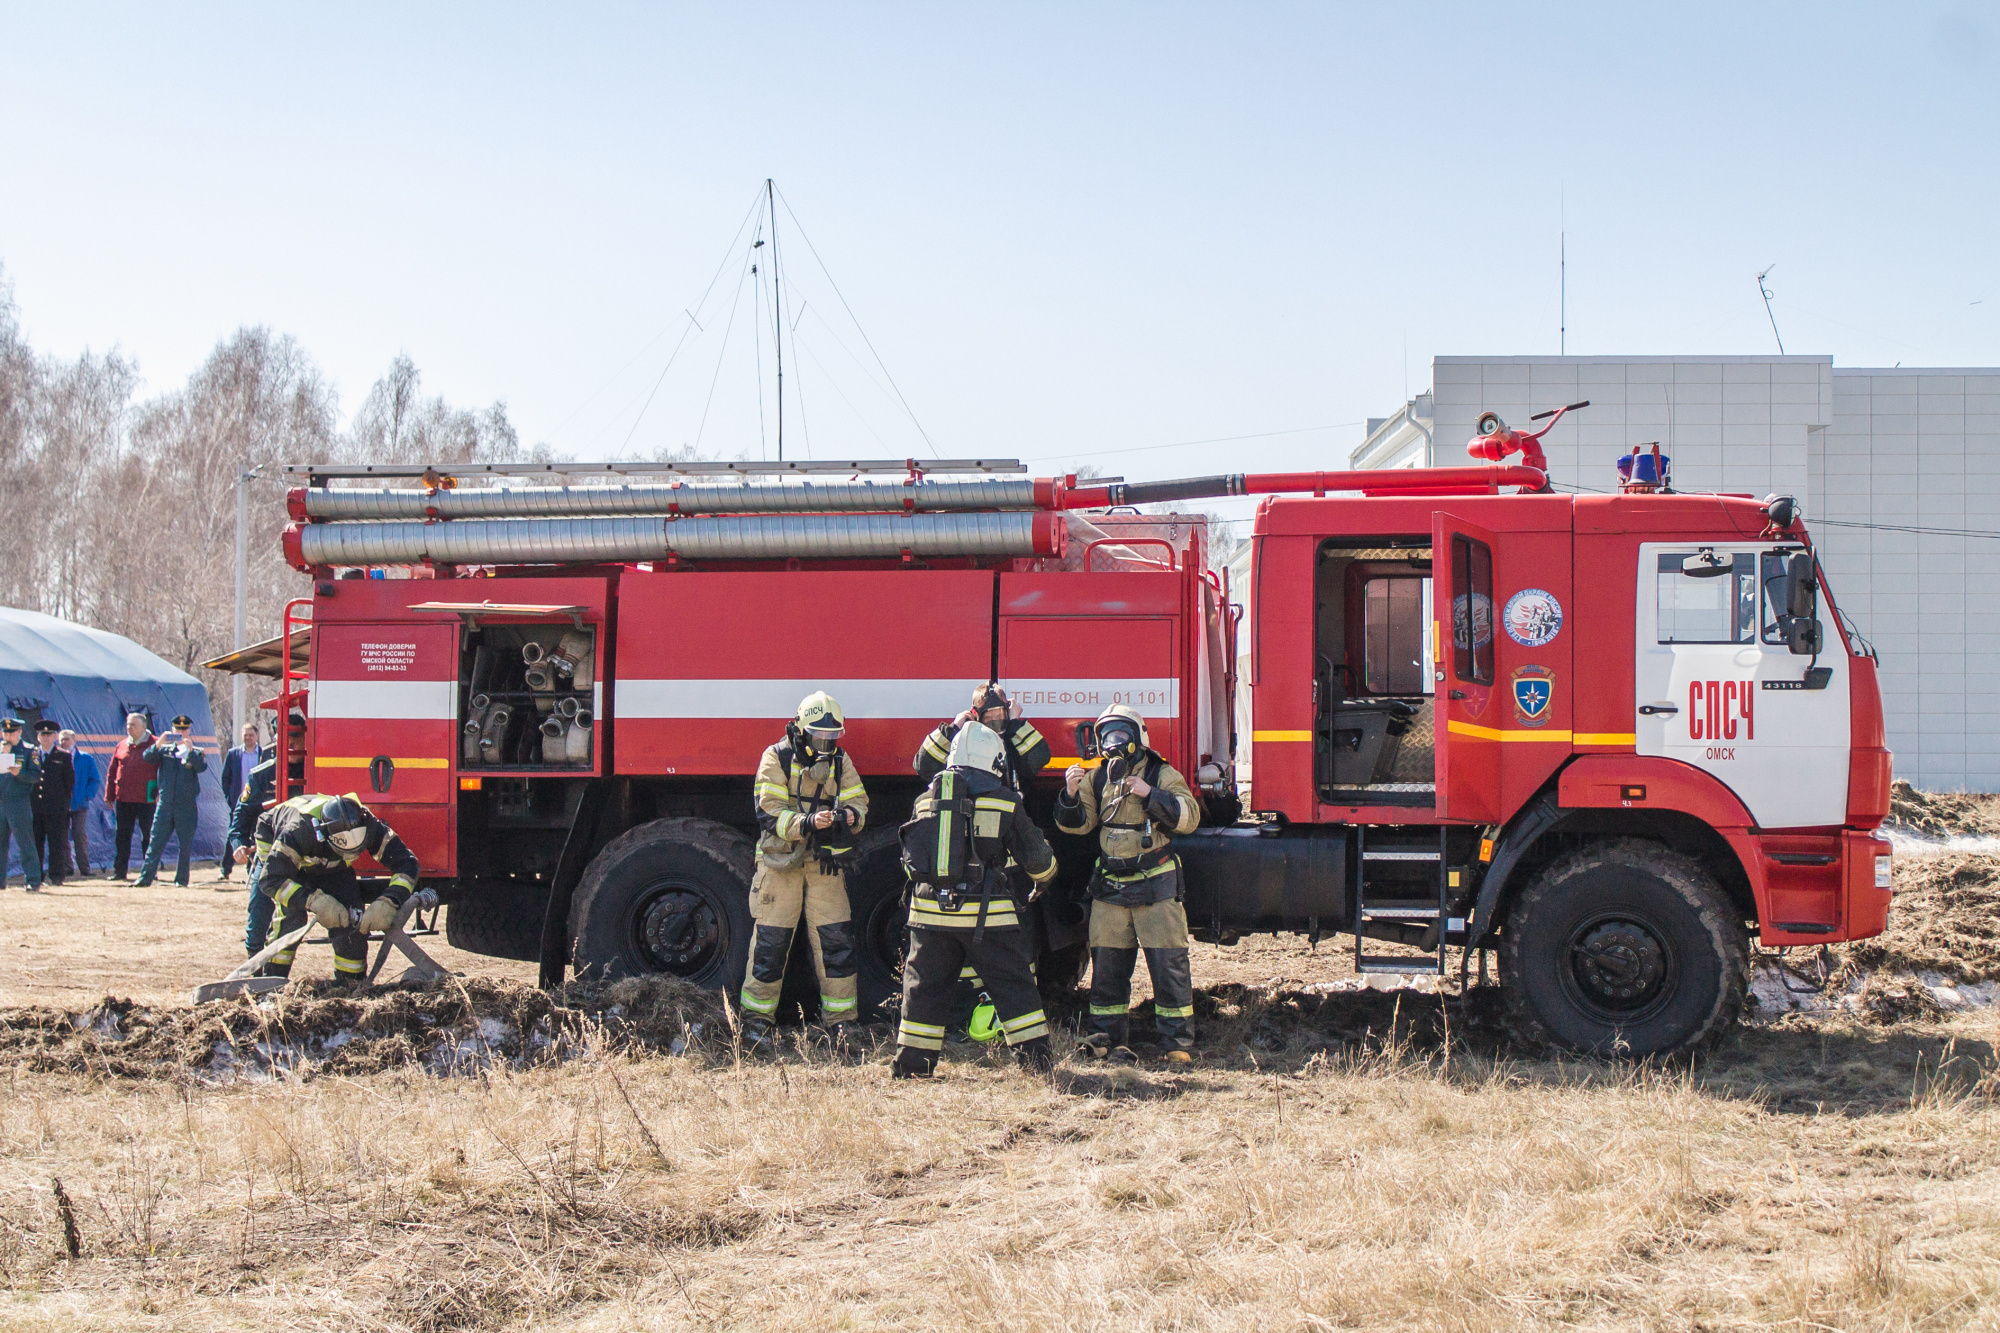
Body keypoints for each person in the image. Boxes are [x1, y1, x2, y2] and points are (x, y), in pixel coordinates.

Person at [893, 722, 1059, 1078]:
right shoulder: (1004, 800)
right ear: (993, 761)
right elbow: (1037, 860)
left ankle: (911, 1068)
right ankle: (1036, 1065)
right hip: (988, 919)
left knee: (924, 990)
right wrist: (1045, 880)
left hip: (928, 914)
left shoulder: (925, 800)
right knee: (1014, 988)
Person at [1055, 704, 1203, 1064]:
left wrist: (1150, 794)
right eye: (1107, 737)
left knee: (1168, 966)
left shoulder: (1161, 772)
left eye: (1121, 736)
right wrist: (1071, 796)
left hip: (1155, 888)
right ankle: (1103, 1038)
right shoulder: (1099, 778)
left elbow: (1190, 817)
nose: (1113, 744)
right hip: (1110, 888)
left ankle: (1177, 1045)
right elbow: (1077, 825)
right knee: (1107, 967)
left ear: (1137, 739)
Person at [740, 691, 868, 1051]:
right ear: (800, 730)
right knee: (770, 944)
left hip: (823, 864)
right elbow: (768, 812)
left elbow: (859, 802)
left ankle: (843, 1025)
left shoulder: (841, 761)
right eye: (818, 736)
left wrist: (848, 817)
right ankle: (754, 1024)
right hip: (780, 863)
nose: (825, 743)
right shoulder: (776, 757)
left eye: (831, 736)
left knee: (836, 943)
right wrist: (808, 822)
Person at [250, 792, 420, 982]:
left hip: (329, 864)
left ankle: (350, 985)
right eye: (346, 851)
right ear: (325, 836)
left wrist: (390, 900)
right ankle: (271, 984)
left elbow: (407, 863)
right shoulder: (299, 831)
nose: (352, 856)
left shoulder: (368, 824)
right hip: (280, 849)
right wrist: (314, 901)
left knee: (350, 919)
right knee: (291, 916)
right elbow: (271, 879)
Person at [230, 715, 301, 960]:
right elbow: (242, 816)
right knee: (259, 908)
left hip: (311, 857)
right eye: (286, 739)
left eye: (297, 738)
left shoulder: (317, 769)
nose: (292, 745)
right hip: (270, 856)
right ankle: (254, 962)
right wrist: (238, 844)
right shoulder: (261, 775)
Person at [912, 684, 1051, 793]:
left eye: (999, 717)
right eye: (988, 718)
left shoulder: (1014, 739)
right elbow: (924, 766)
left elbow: (1041, 757)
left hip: (1008, 815)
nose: (995, 724)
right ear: (975, 715)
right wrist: (953, 729)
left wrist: (1015, 723)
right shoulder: (962, 741)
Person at [135, 715, 206, 887]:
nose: (181, 732)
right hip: (165, 803)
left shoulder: (195, 751)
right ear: (172, 730)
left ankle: (181, 880)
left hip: (186, 805)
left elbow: (201, 767)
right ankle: (146, 877)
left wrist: (189, 752)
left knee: (185, 845)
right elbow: (147, 757)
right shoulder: (165, 750)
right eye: (177, 729)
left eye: (184, 729)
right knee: (155, 841)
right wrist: (159, 742)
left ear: (189, 730)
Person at [105, 713, 160, 881]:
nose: (129, 728)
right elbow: (112, 770)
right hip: (124, 798)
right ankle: (119, 872)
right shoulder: (122, 745)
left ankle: (149, 871)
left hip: (147, 798)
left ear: (143, 727)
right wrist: (109, 794)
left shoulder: (155, 744)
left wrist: (159, 792)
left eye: (133, 725)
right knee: (122, 835)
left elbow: (164, 771)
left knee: (148, 836)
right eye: (128, 725)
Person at [0, 719, 43, 892]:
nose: (8, 736)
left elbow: (36, 775)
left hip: (19, 802)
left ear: (19, 732)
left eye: (12, 733)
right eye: (6, 733)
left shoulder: (29, 751)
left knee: (25, 843)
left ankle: (33, 880)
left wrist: (20, 774)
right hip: (1, 802)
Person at [31, 721, 74, 886]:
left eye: (49, 734)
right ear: (38, 737)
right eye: (42, 734)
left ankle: (56, 876)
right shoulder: (33, 754)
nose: (45, 737)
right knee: (36, 843)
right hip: (36, 807)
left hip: (56, 808)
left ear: (55, 736)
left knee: (57, 843)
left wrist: (64, 805)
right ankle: (36, 875)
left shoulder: (63, 755)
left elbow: (69, 782)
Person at [218, 723, 262, 882]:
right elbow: (225, 778)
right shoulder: (233, 754)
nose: (248, 738)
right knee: (234, 835)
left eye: (251, 735)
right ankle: (225, 869)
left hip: (258, 805)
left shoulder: (263, 754)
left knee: (256, 838)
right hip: (239, 804)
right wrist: (230, 798)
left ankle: (252, 871)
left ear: (256, 736)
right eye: (245, 735)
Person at [59, 730, 101, 877]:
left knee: (79, 835)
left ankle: (85, 867)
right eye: (62, 740)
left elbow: (95, 779)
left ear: (74, 740)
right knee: (62, 836)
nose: (64, 742)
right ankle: (67, 866)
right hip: (62, 804)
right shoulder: (57, 758)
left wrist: (86, 795)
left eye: (67, 739)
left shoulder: (85, 758)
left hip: (79, 804)